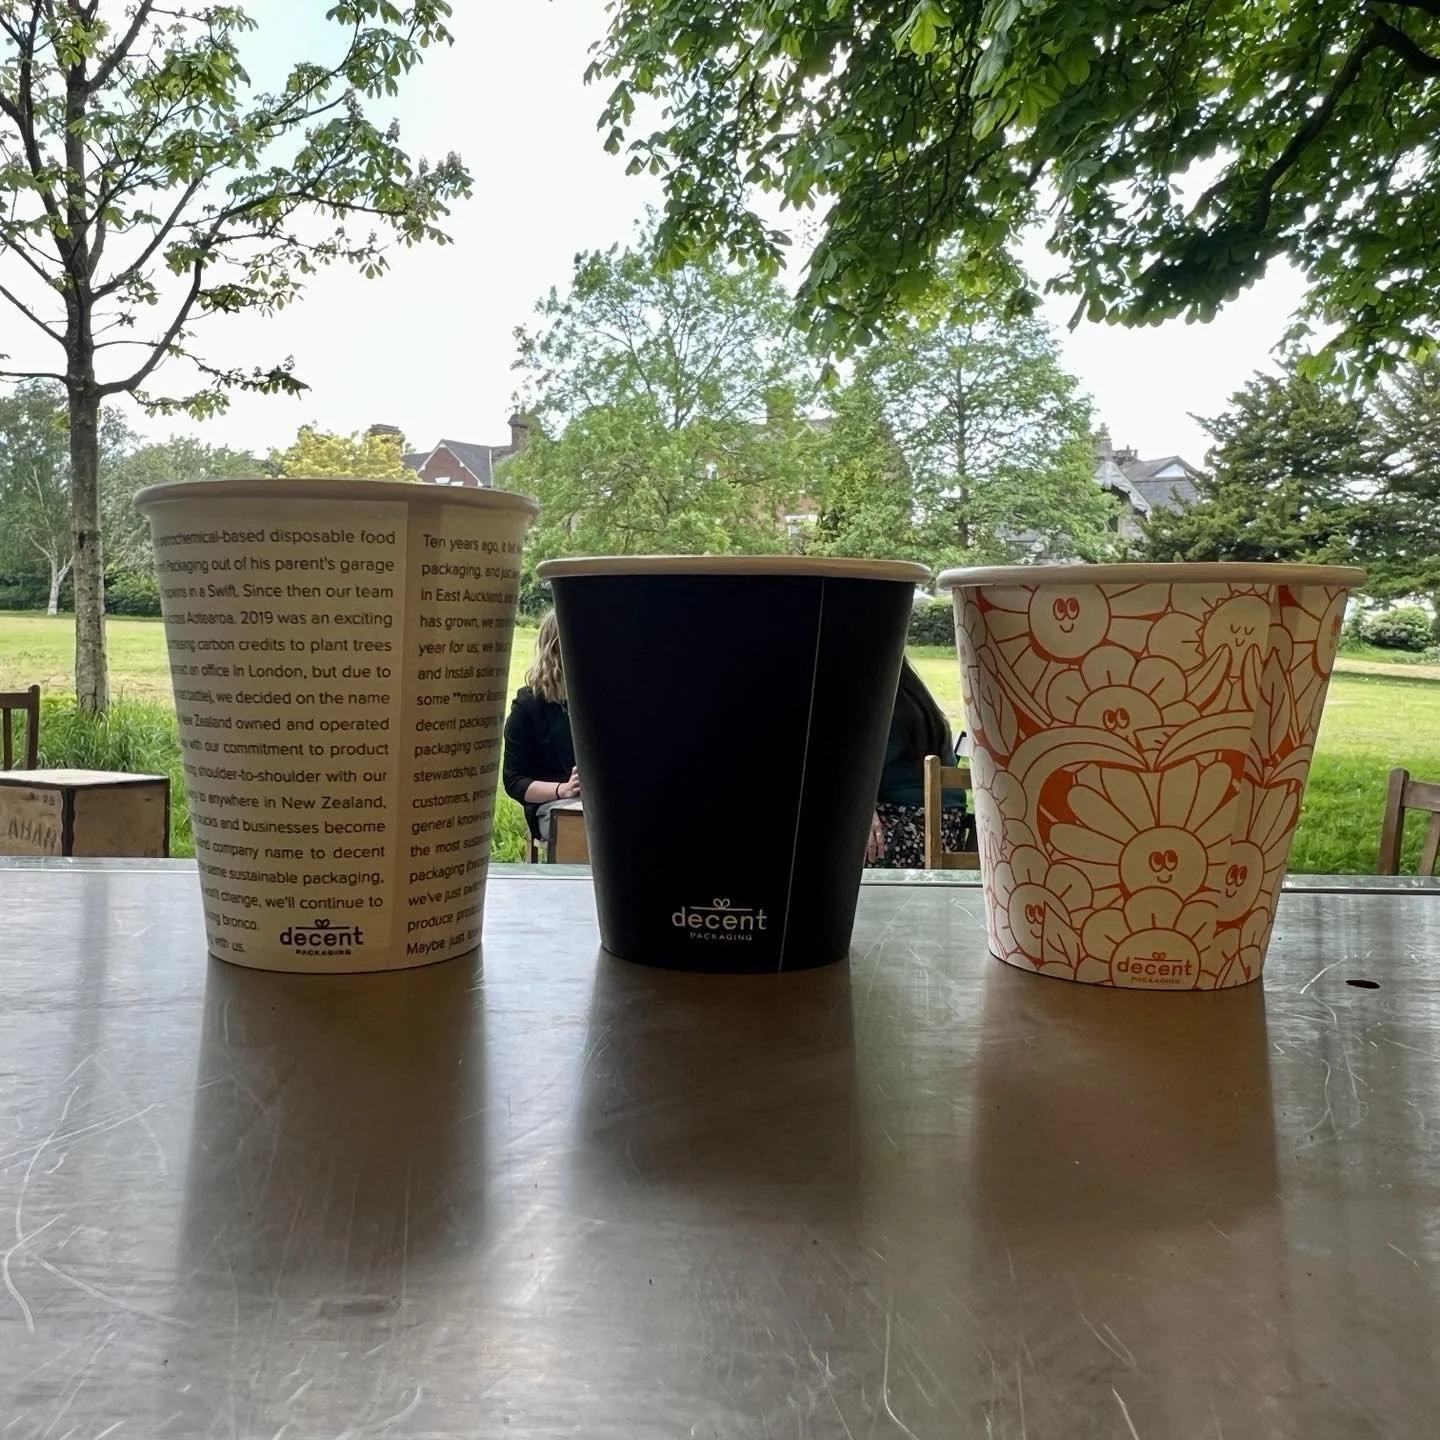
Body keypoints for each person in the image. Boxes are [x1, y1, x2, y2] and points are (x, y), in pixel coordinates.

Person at [867, 659, 969, 868]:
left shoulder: (888, 711)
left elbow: (849, 783)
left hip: (919, 831)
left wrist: (863, 812)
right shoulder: (909, 700)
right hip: (945, 829)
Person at [502, 610, 579, 848]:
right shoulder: (527, 707)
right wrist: (563, 789)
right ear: (557, 648)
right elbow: (514, 781)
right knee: (587, 828)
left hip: (604, 802)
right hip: (554, 804)